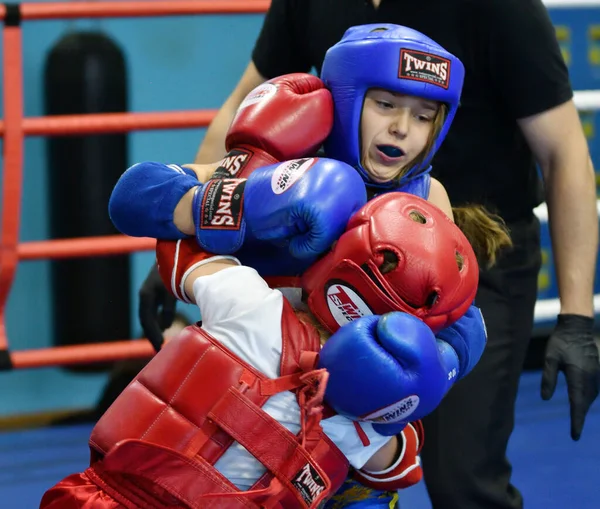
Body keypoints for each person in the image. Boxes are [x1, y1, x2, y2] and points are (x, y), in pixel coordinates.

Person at [152, 2, 599, 508]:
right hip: (320, 239)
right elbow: (239, 110)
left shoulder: (500, 8)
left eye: (423, 115)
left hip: (460, 264)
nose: (402, 128)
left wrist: (576, 318)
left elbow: (565, 153)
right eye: (385, 105)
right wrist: (195, 225)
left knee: (463, 476)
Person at [40, 190, 486, 509]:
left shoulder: (250, 302)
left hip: (107, 494)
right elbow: (399, 472)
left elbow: (177, 251)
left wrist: (253, 198)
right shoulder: (365, 422)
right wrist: (417, 390)